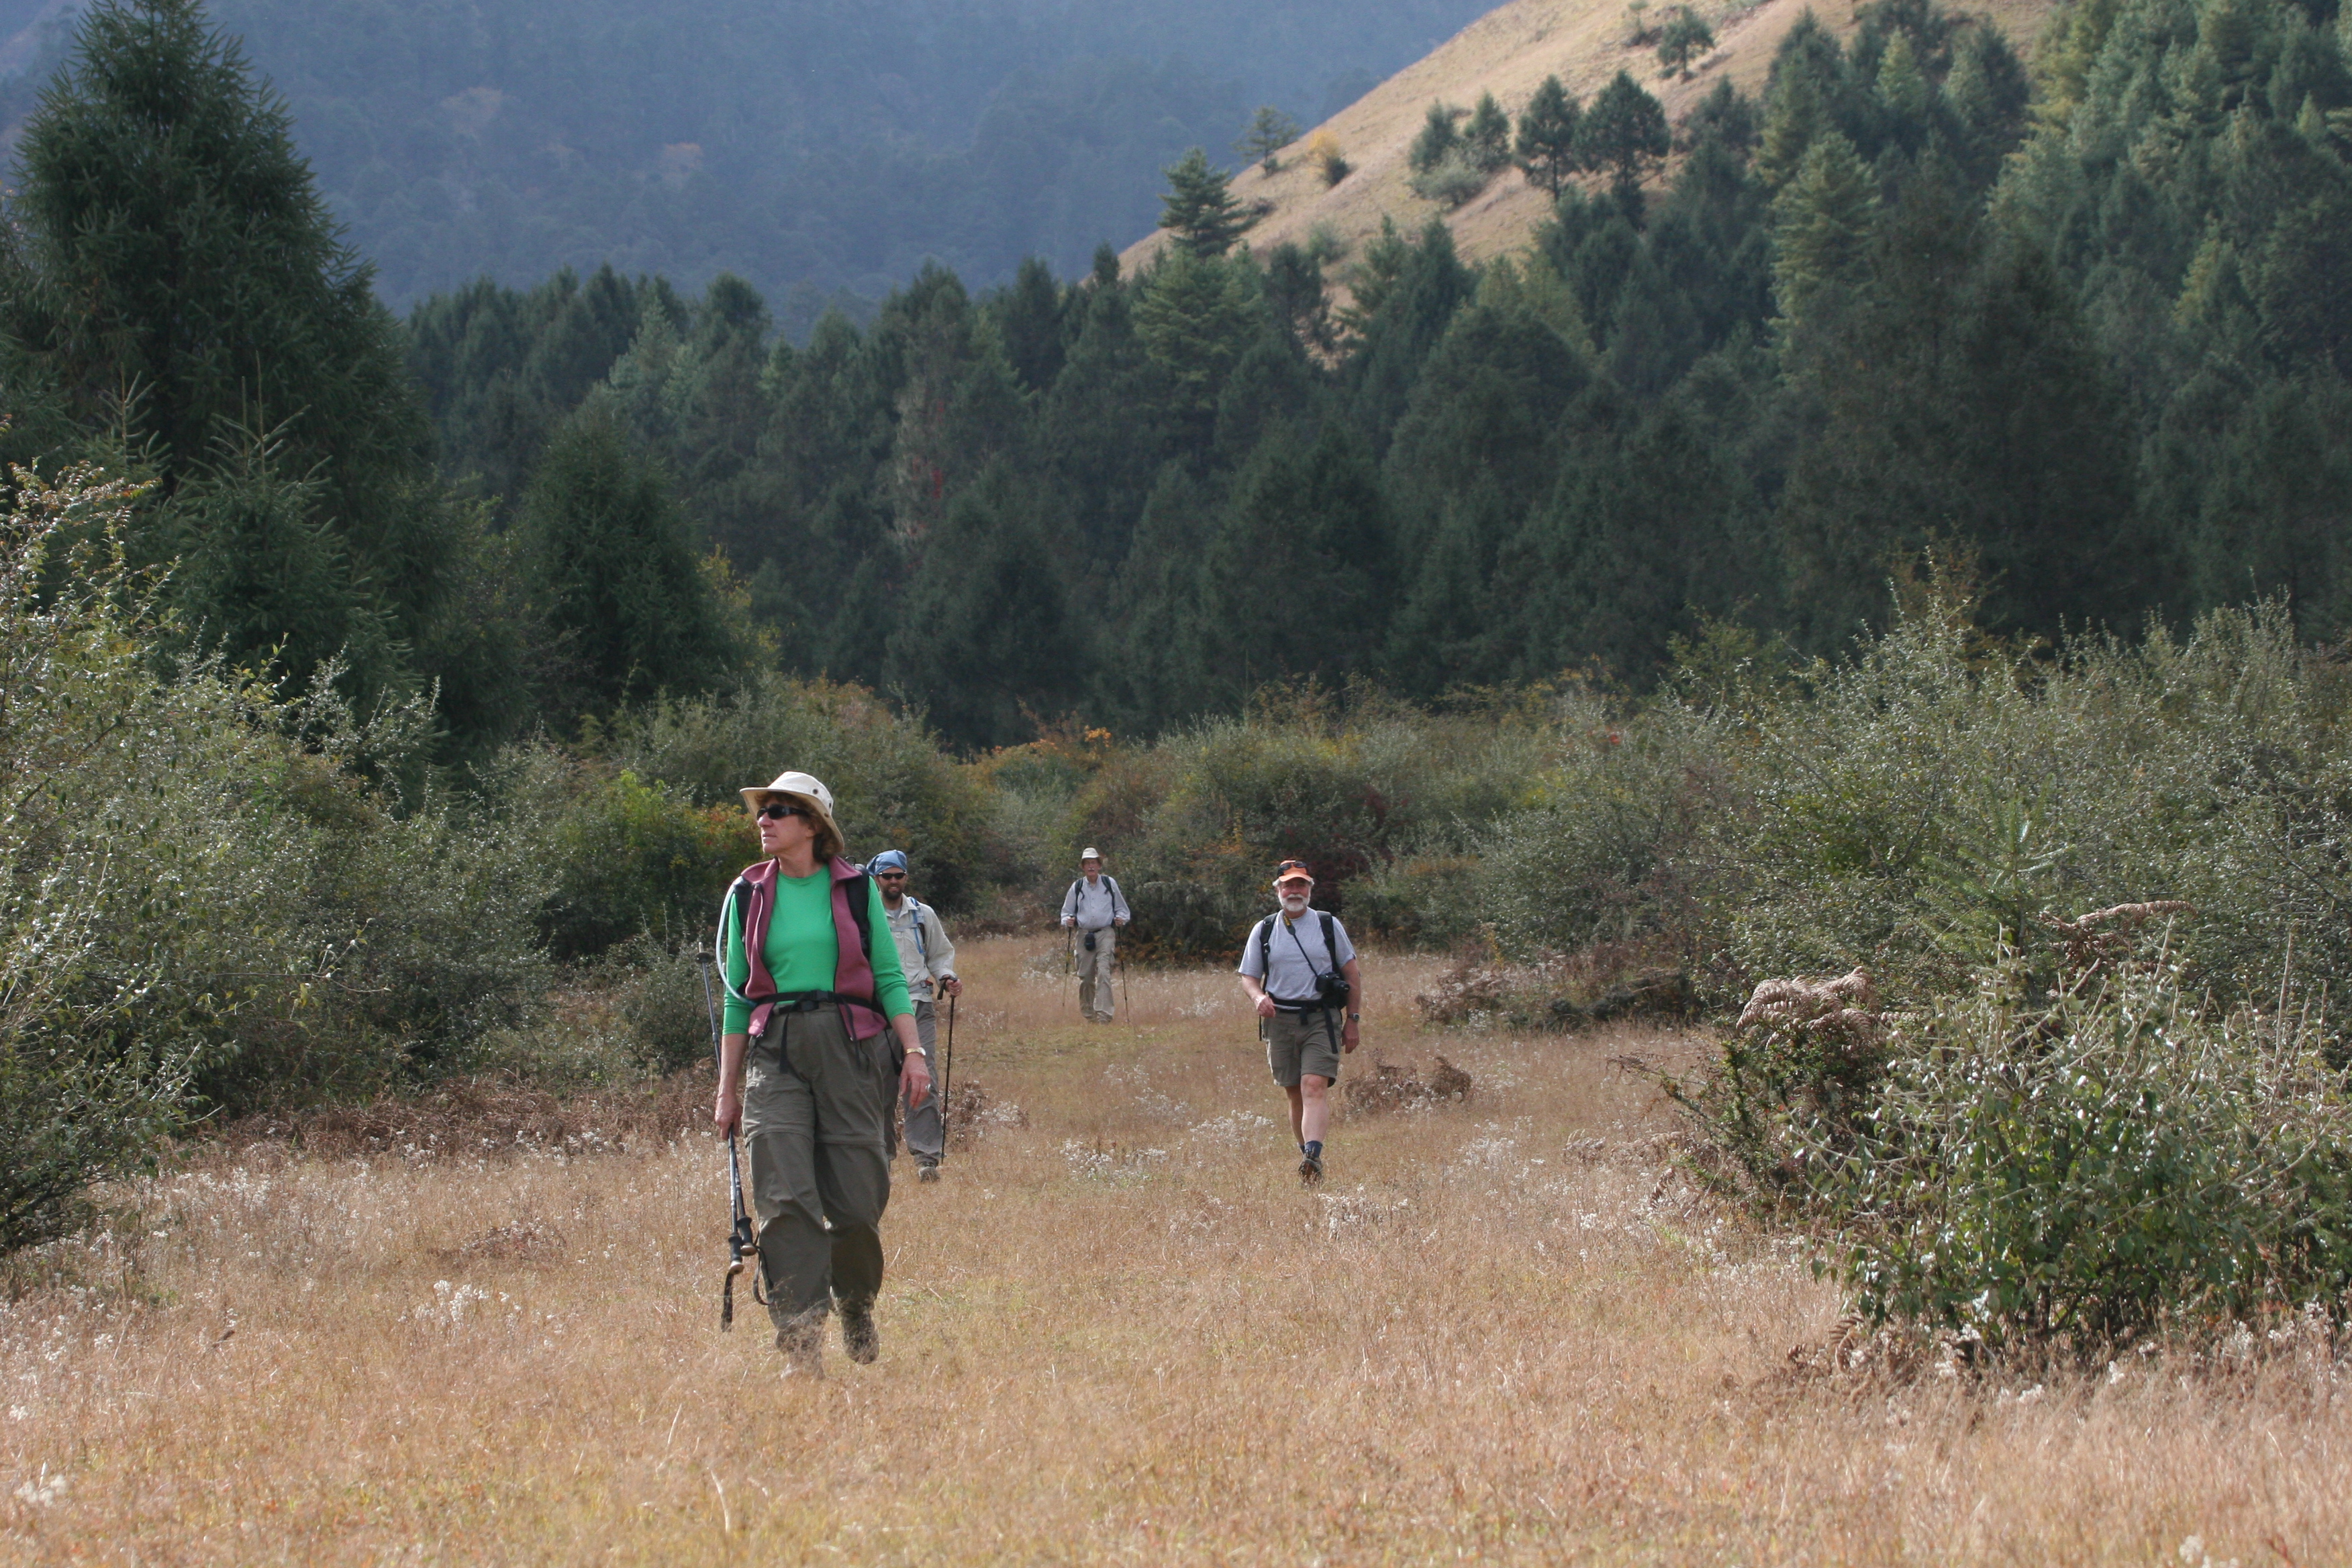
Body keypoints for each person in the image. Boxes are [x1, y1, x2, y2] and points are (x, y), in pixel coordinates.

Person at [713, 771, 930, 1377]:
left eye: (778, 810)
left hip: (852, 1049)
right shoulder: (747, 895)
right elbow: (736, 998)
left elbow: (888, 977)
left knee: (856, 1204)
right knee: (784, 1203)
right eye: (763, 810)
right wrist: (727, 1089)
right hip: (775, 1052)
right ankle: (801, 1345)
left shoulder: (856, 890)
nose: (764, 820)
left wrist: (913, 1053)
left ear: (813, 825)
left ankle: (856, 1301)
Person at [1236, 859, 1361, 1185]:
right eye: (1288, 885)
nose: (1295, 891)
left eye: (1301, 885)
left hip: (1322, 1018)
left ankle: (1314, 1157)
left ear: (1310, 889)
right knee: (1294, 1093)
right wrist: (1258, 998)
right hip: (1280, 1020)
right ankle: (1305, 1155)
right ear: (1277, 890)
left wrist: (1353, 1021)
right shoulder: (1264, 929)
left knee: (1314, 1086)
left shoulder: (1328, 926)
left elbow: (1352, 975)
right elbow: (1249, 976)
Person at [866, 849, 961, 1183]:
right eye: (886, 876)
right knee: (879, 1084)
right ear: (876, 879)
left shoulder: (923, 915)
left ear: (906, 878)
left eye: (899, 876)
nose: (893, 882)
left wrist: (947, 977)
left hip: (918, 1003)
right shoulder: (865, 914)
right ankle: (880, 1156)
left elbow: (939, 954)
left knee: (923, 1081)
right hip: (877, 1010)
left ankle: (927, 1160)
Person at [1058, 848, 1130, 1023]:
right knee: (1086, 977)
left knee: (1104, 972)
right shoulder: (1077, 887)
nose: (1091, 866)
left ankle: (1104, 1016)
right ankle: (1090, 1015)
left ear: (1099, 865)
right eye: (1087, 863)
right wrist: (1068, 920)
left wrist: (1121, 919)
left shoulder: (1109, 883)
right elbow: (1066, 912)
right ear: (1083, 867)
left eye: (1094, 862)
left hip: (1105, 933)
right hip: (1084, 935)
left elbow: (1122, 909)